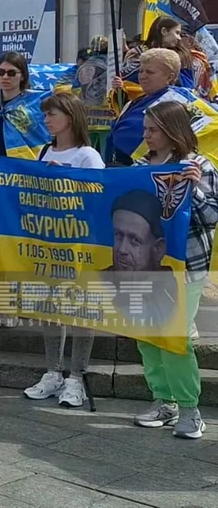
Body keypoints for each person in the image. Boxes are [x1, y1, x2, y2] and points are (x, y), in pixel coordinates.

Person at [129, 100, 218, 439]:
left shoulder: (199, 166)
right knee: (146, 335)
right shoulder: (140, 166)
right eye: (145, 129)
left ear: (172, 131)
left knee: (174, 335)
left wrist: (194, 191)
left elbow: (212, 216)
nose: (146, 136)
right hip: (146, 265)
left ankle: (190, 409)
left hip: (186, 265)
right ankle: (164, 400)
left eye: (153, 130)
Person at [19, 95, 106, 406]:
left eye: (52, 114)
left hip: (79, 245)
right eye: (45, 114)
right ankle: (53, 371)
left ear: (70, 116)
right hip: (48, 243)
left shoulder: (87, 155)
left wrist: (66, 179)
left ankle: (76, 377)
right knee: (50, 309)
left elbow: (99, 195)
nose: (47, 120)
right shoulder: (44, 151)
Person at [109, 48, 184, 167]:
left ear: (169, 77)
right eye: (141, 71)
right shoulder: (136, 101)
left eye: (150, 72)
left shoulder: (175, 104)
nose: (142, 76)